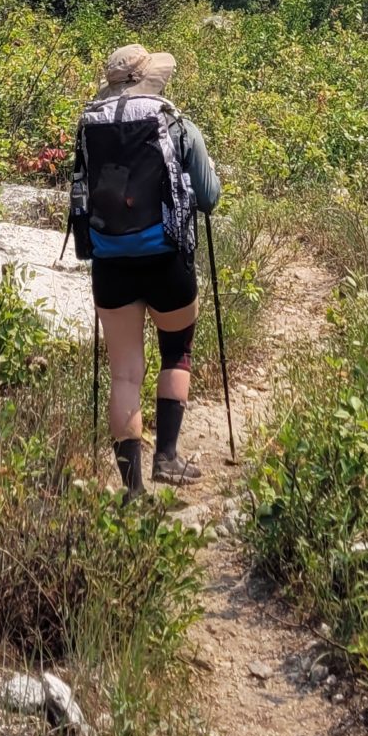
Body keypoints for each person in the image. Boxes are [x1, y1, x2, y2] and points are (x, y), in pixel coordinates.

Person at [70, 43, 222, 495]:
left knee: (123, 374)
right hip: (167, 256)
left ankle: (132, 490)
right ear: (149, 79)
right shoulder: (176, 123)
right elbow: (209, 197)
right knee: (176, 352)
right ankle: (167, 458)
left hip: (110, 259)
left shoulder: (88, 124)